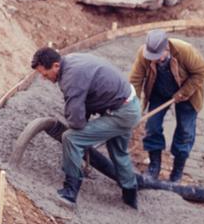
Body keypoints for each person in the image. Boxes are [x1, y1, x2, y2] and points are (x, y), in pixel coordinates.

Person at [31, 46, 141, 209]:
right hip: (127, 103)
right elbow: (85, 101)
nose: (44, 78)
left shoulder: (70, 78)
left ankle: (70, 193)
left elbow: (76, 122)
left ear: (55, 65)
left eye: (45, 74)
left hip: (122, 113)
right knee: (118, 151)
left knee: (71, 138)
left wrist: (79, 137)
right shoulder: (71, 61)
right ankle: (130, 196)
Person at [128, 30, 204, 182]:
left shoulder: (184, 50)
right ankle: (154, 165)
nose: (154, 59)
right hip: (159, 91)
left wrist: (183, 92)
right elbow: (135, 80)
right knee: (152, 126)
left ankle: (177, 171)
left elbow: (202, 71)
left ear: (166, 49)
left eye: (157, 56)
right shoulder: (144, 53)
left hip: (187, 93)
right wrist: (133, 107)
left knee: (185, 131)